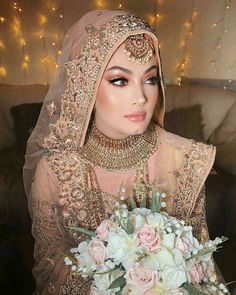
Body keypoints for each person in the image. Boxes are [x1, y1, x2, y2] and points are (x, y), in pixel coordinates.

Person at [23, 9, 217, 295]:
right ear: (85, 86)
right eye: (119, 80)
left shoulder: (186, 159)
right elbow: (50, 266)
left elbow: (201, 267)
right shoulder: (55, 169)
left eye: (150, 79)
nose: (140, 97)